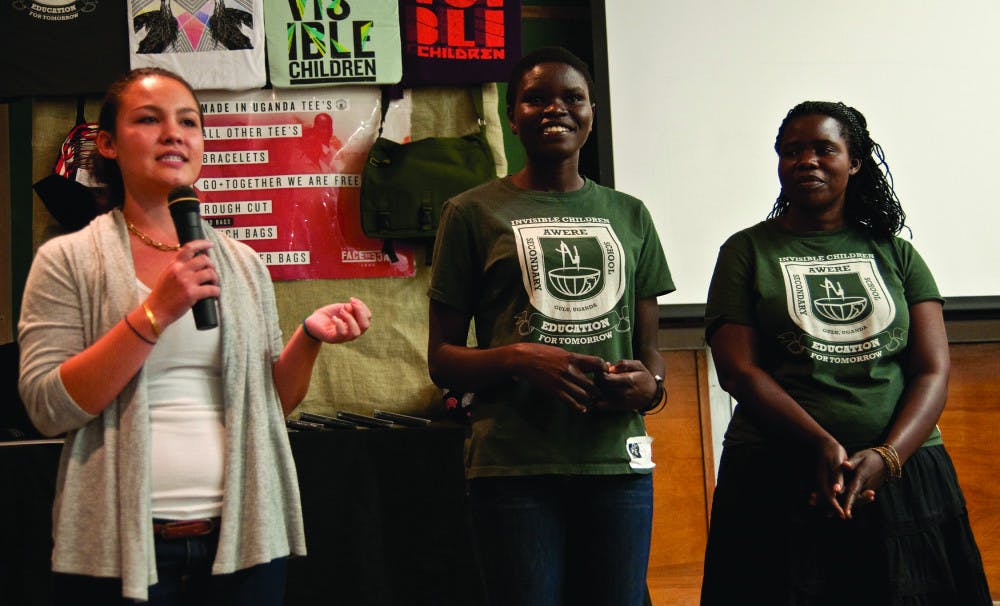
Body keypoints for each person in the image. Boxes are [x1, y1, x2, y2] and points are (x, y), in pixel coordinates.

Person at [17, 67, 372, 604]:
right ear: (108, 144)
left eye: (188, 122)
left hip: (244, 542)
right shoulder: (68, 259)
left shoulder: (243, 263)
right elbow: (49, 409)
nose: (173, 134)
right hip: (118, 546)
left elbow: (270, 405)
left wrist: (309, 338)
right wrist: (154, 314)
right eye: (148, 120)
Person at [700, 100, 991, 605]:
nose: (806, 161)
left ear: (854, 162)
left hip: (902, 473)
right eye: (792, 151)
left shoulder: (896, 253)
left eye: (823, 149)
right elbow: (738, 370)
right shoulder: (746, 251)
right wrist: (821, 444)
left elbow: (932, 370)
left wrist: (887, 456)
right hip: (777, 472)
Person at [426, 47, 674, 606]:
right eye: (535, 98)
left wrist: (651, 386)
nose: (555, 109)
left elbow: (650, 351)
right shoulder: (470, 212)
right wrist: (519, 358)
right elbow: (442, 360)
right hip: (514, 467)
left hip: (617, 463)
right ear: (512, 117)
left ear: (592, 113)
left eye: (572, 97)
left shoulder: (630, 214)